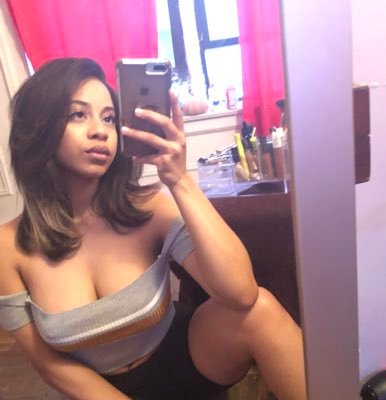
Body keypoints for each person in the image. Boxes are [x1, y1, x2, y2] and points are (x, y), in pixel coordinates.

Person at [0, 58, 306, 400]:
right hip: (95, 392)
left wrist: (180, 180)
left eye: (109, 118)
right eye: (78, 114)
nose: (101, 131)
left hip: (184, 360)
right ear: (39, 125)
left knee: (260, 308)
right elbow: (47, 363)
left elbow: (241, 294)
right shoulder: (8, 247)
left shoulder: (148, 208)